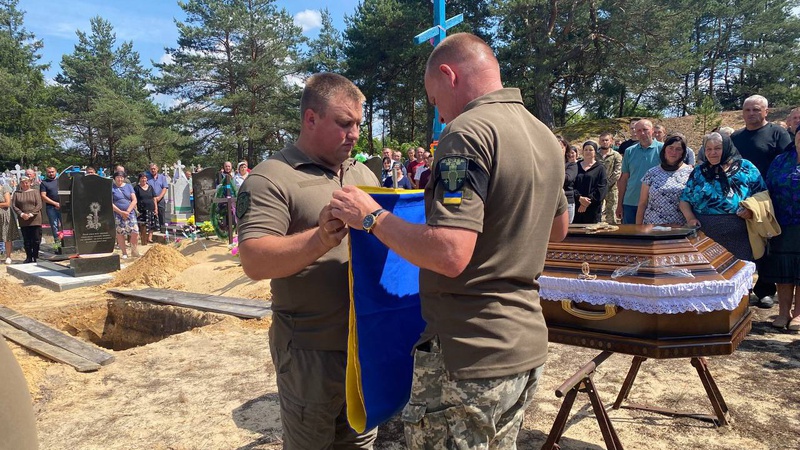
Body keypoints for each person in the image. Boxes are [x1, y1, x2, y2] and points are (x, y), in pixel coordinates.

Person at [329, 33, 569, 448]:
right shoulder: (543, 135)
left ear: (448, 74)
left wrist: (371, 216)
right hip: (525, 345)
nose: (438, 113)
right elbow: (558, 229)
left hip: (470, 353)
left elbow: (450, 253)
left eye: (434, 98)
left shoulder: (467, 133)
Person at [237, 72, 380, 449]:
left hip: (365, 346)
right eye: (344, 123)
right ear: (311, 119)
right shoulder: (271, 178)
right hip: (309, 352)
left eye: (358, 124)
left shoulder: (363, 173)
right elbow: (254, 260)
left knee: (361, 443)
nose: (354, 134)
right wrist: (319, 238)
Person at [731, 95, 792, 308]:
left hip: (768, 199)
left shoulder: (778, 133)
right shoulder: (736, 137)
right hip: (740, 199)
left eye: (756, 109)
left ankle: (765, 290)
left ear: (766, 111)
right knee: (744, 245)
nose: (751, 114)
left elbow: (788, 161)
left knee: (766, 245)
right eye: (747, 110)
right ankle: (741, 289)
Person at [680, 132, 766, 261]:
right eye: (708, 149)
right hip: (705, 234)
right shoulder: (699, 171)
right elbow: (684, 200)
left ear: (726, 147)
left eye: (717, 148)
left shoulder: (746, 167)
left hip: (740, 235)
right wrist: (690, 218)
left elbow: (763, 195)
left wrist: (751, 210)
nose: (712, 153)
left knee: (738, 270)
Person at [761, 125, 800, 330]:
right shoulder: (780, 160)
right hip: (782, 224)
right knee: (783, 270)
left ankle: (799, 314)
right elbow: (767, 187)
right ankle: (784, 312)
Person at [636, 134, 694, 225]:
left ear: (683, 153)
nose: (674, 152)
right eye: (670, 148)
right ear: (664, 150)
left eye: (678, 149)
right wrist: (638, 228)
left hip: (679, 227)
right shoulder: (651, 173)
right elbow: (642, 203)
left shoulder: (691, 173)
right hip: (652, 227)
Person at [617, 119, 662, 224]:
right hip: (631, 202)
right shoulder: (629, 151)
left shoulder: (663, 150)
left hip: (655, 202)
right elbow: (624, 179)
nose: (642, 133)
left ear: (652, 131)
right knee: (630, 233)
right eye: (639, 131)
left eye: (645, 130)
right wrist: (619, 204)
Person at [573, 141, 607, 224]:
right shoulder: (576, 166)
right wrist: (579, 198)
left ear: (595, 152)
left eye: (591, 150)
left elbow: (602, 188)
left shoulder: (600, 168)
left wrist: (586, 203)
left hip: (593, 208)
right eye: (586, 150)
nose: (588, 152)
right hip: (576, 207)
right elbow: (570, 185)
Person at [12, 177, 42, 263]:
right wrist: (22, 214)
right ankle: (29, 257)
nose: (25, 184)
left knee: (36, 239)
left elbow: (39, 204)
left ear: (30, 183)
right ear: (20, 184)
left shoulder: (35, 192)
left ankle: (35, 256)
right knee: (27, 240)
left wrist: (31, 214)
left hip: (35, 219)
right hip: (23, 219)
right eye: (22, 183)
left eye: (26, 182)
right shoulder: (17, 193)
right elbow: (14, 206)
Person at [112, 171, 139, 259]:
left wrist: (127, 211)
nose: (120, 179)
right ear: (114, 178)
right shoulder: (112, 188)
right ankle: (124, 253)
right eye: (118, 177)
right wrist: (121, 212)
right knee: (120, 233)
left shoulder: (128, 186)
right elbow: (110, 202)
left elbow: (134, 200)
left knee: (135, 231)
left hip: (130, 213)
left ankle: (134, 250)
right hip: (118, 213)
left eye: (121, 177)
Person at [597, 132, 622, 224]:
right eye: (602, 140)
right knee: (596, 212)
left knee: (611, 212)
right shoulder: (595, 155)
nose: (604, 142)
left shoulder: (616, 155)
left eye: (607, 140)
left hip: (611, 188)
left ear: (611, 141)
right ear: (599, 141)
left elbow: (617, 172)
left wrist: (607, 184)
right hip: (597, 188)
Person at [134, 173, 158, 245]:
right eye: (142, 178)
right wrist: (136, 208)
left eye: (145, 178)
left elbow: (154, 198)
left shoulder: (150, 187)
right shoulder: (137, 188)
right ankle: (143, 238)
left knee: (151, 224)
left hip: (151, 208)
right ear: (139, 179)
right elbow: (134, 199)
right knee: (142, 225)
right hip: (141, 209)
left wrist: (156, 208)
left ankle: (149, 238)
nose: (143, 180)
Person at [146, 163, 169, 233]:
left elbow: (165, 188)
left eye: (154, 169)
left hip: (160, 198)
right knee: (151, 215)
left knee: (161, 214)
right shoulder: (147, 178)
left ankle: (163, 229)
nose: (153, 170)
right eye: (151, 169)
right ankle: (153, 229)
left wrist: (159, 197)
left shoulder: (162, 177)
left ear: (157, 169)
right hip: (150, 199)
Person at [1, 177, 19, 264]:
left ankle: (8, 256)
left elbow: (7, 203)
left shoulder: (4, 188)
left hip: (5, 215)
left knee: (7, 236)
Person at [564, 145, 578, 223]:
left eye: (572, 153)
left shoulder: (572, 165)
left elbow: (568, 178)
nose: (570, 155)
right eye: (569, 153)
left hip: (568, 200)